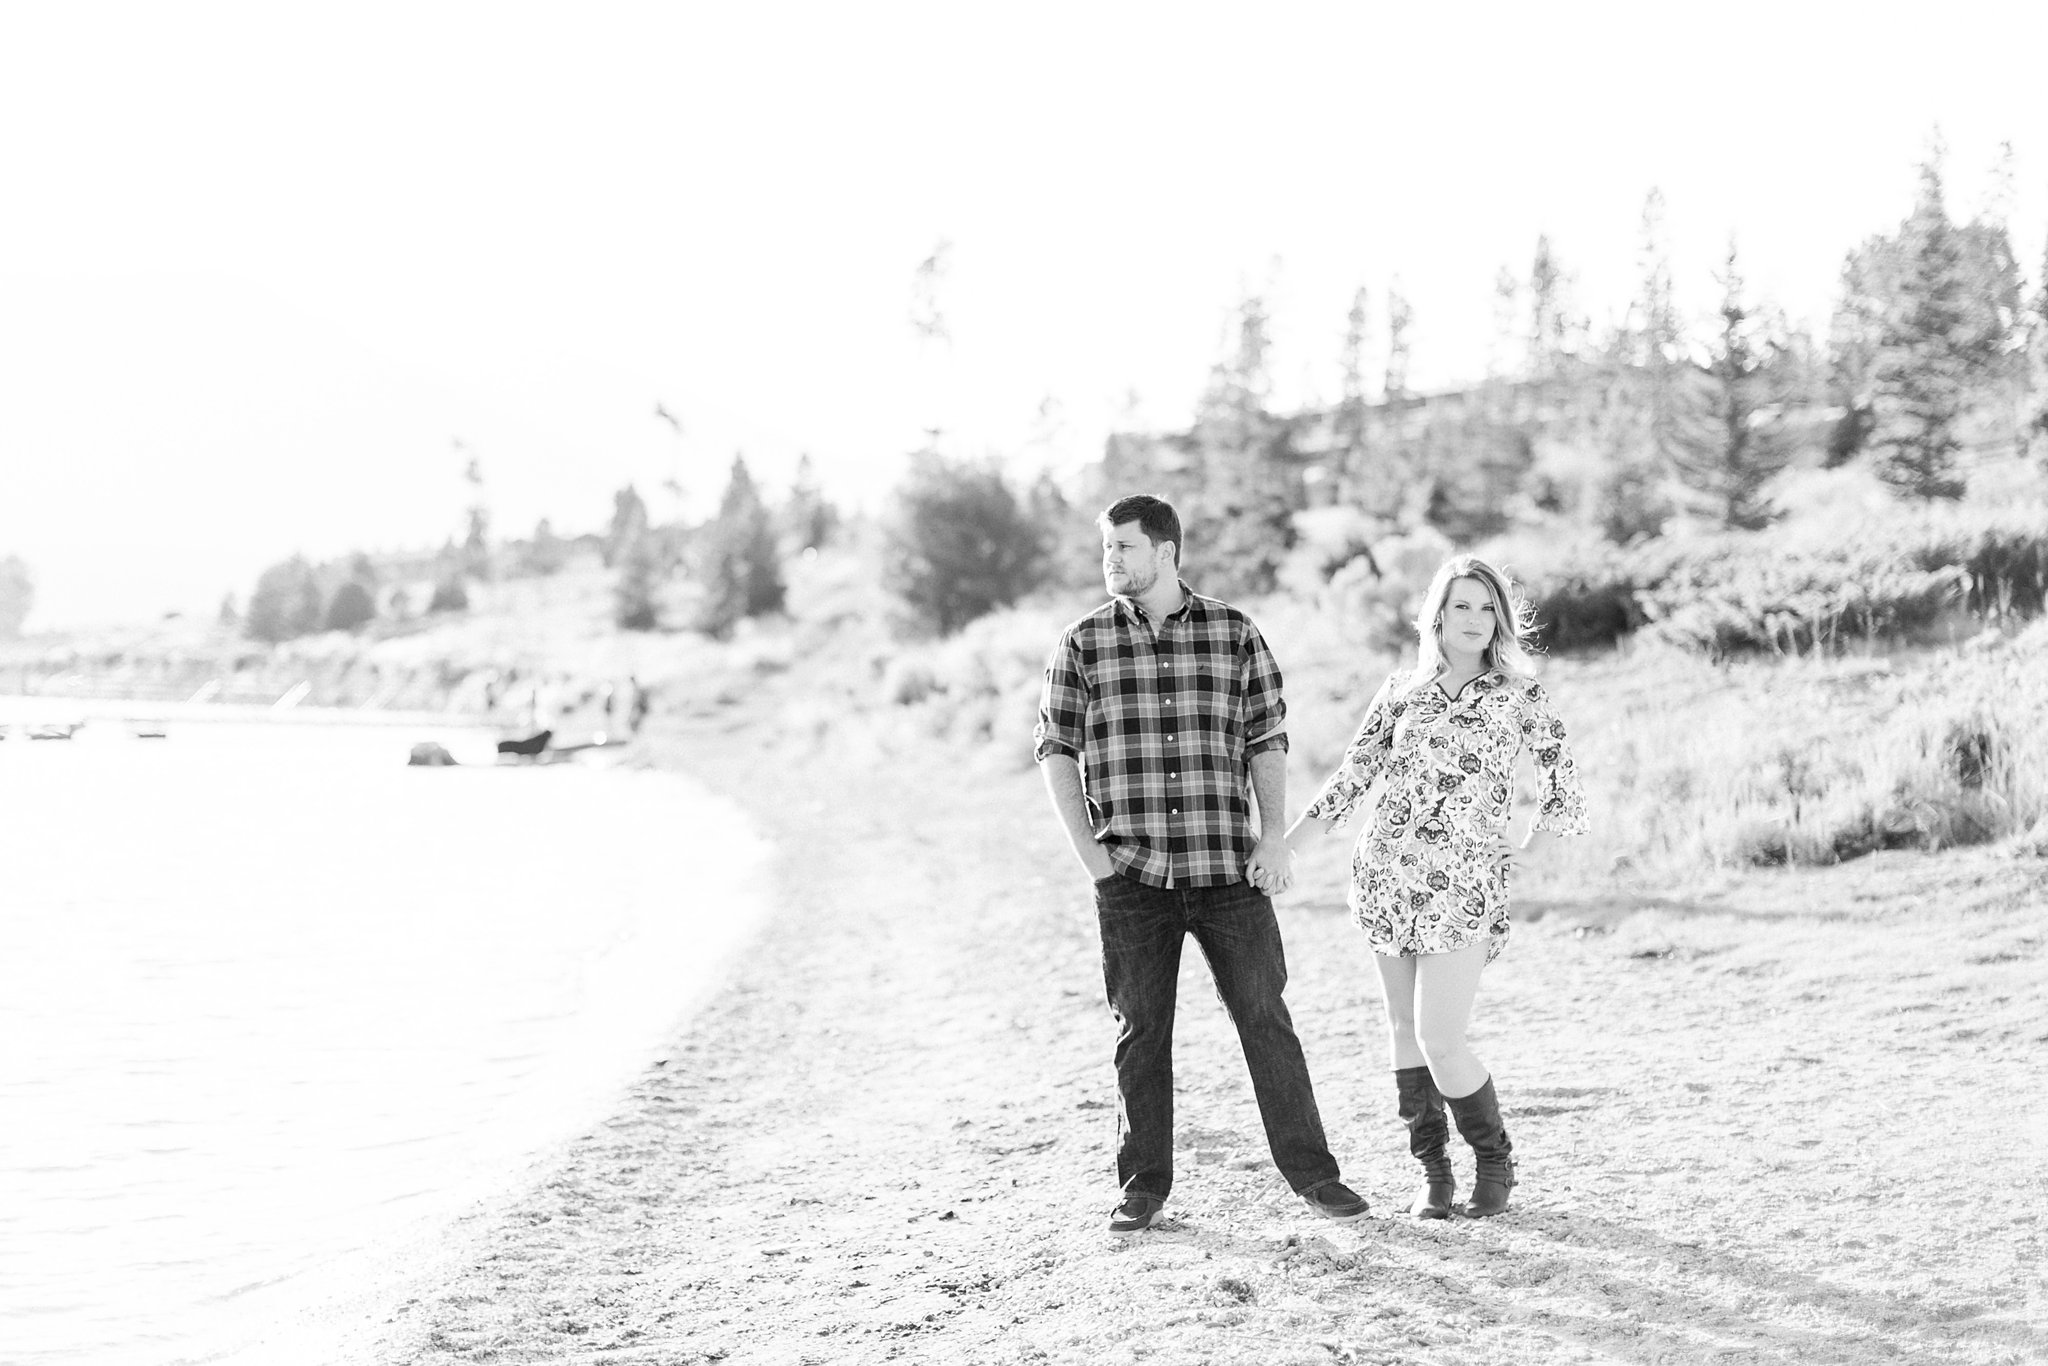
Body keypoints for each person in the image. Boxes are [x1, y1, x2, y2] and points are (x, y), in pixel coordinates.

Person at [1034, 494, 1369, 1234]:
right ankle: (1143, 1187)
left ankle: (1315, 1178)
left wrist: (1273, 836)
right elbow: (1056, 750)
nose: (1110, 560)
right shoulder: (1082, 644)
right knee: (1141, 1034)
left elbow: (1267, 739)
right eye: (1107, 548)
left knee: (1265, 1020)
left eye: (1123, 547)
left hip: (1227, 871)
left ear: (1166, 551)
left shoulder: (1234, 632)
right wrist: (1093, 860)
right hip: (1132, 877)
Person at [1284, 554, 1586, 1219]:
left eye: (1487, 608)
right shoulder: (1401, 690)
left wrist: (1530, 843)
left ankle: (1495, 1160)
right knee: (1402, 1029)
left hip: (1463, 883)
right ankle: (1435, 1176)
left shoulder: (1519, 694)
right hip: (1387, 874)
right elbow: (1352, 778)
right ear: (1438, 617)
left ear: (1500, 619)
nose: (1475, 619)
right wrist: (1285, 852)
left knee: (1441, 1036)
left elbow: (1563, 777)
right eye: (1462, 606)